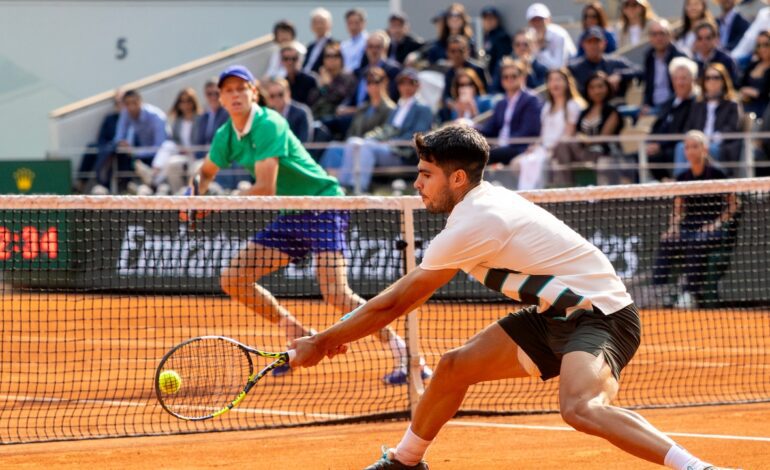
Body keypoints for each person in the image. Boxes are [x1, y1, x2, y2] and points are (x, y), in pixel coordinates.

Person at [289, 124, 734, 470]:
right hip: (553, 314)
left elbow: (395, 303)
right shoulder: (477, 206)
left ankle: (695, 466)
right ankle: (405, 461)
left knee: (580, 407)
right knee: (453, 368)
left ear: (457, 177)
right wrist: (332, 337)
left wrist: (322, 342)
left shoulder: (475, 221)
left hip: (602, 314)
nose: (416, 184)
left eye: (426, 175)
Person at [191, 64, 425, 385]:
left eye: (240, 88)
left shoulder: (268, 123)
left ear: (253, 93)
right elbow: (205, 172)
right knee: (234, 277)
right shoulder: (225, 135)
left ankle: (408, 356)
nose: (234, 95)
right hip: (293, 212)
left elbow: (265, 188)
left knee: (336, 293)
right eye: (228, 90)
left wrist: (213, 204)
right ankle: (297, 334)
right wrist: (190, 198)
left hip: (323, 204)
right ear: (220, 97)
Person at [653, 130, 740, 309]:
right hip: (689, 225)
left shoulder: (718, 174)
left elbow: (734, 204)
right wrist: (673, 227)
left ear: (704, 149)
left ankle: (689, 292)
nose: (691, 151)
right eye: (687, 148)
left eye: (695, 147)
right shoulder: (683, 177)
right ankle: (660, 291)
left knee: (696, 242)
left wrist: (716, 223)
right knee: (667, 241)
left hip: (712, 228)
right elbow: (678, 208)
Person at [337, 68, 433, 192]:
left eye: (411, 83)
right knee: (353, 142)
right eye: (402, 83)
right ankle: (344, 186)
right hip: (388, 148)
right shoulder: (398, 107)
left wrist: (391, 142)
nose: (406, 87)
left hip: (403, 154)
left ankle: (359, 189)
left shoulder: (423, 108)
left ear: (418, 85)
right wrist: (370, 138)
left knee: (366, 147)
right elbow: (386, 130)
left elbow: (419, 134)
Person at [513, 68, 585, 189]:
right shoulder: (547, 107)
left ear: (567, 83)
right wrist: (535, 146)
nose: (554, 84)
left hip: (558, 151)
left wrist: (551, 150)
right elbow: (543, 134)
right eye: (551, 80)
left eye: (558, 80)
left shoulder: (573, 105)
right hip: (543, 149)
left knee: (540, 164)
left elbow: (568, 134)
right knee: (516, 164)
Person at [552, 72, 624, 187]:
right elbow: (578, 133)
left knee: (565, 144)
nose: (596, 91)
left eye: (600, 86)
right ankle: (566, 186)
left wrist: (586, 140)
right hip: (583, 151)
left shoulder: (612, 111)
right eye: (592, 88)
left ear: (607, 88)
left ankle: (567, 185)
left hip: (603, 152)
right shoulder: (584, 112)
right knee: (562, 145)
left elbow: (604, 138)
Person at [319, 67, 395, 174]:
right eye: (369, 82)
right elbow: (352, 130)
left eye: (376, 82)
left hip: (370, 147)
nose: (372, 86)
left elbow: (385, 132)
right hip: (353, 145)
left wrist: (361, 141)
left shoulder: (390, 108)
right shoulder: (363, 107)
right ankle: (324, 179)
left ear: (385, 83)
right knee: (333, 147)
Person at [94, 89, 167, 193]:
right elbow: (119, 137)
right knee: (116, 150)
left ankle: (149, 183)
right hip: (142, 155)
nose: (131, 107)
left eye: (134, 103)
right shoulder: (125, 113)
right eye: (127, 104)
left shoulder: (157, 117)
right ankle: (118, 185)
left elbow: (159, 148)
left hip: (162, 156)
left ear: (141, 102)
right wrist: (122, 143)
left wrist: (135, 152)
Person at [676, 63, 742, 177]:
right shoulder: (698, 104)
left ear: (723, 80)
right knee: (681, 147)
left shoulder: (732, 104)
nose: (711, 81)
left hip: (720, 146)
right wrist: (694, 139)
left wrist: (710, 139)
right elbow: (689, 127)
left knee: (704, 148)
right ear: (704, 82)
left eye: (716, 77)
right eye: (707, 78)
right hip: (698, 142)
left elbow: (732, 128)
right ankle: (679, 182)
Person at [135, 87, 202, 193]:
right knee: (168, 146)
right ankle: (154, 173)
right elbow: (175, 140)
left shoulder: (200, 119)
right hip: (181, 154)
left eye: (188, 101)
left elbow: (202, 141)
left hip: (195, 155)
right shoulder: (178, 122)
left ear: (193, 102)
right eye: (182, 101)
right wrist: (181, 148)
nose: (185, 104)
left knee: (171, 161)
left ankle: (153, 178)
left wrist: (190, 150)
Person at [477, 58, 542, 165]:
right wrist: (468, 128)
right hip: (501, 147)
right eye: (505, 77)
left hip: (519, 147)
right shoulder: (501, 103)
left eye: (514, 76)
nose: (509, 79)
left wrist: (504, 142)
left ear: (522, 77)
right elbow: (489, 129)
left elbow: (529, 130)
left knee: (483, 156)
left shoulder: (531, 100)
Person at [646, 57, 699, 181]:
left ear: (693, 79)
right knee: (634, 157)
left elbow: (688, 130)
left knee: (657, 157)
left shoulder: (697, 103)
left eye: (684, 78)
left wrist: (660, 145)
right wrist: (651, 143)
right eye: (676, 78)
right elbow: (657, 126)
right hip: (661, 147)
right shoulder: (669, 102)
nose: (680, 83)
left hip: (678, 147)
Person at [568, 26, 642, 103]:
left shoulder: (615, 62)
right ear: (583, 44)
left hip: (614, 106)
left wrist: (620, 75)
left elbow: (639, 70)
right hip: (586, 107)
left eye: (597, 42)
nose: (593, 46)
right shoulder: (574, 68)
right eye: (590, 42)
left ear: (604, 43)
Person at [641, 19, 687, 115]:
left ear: (670, 35)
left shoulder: (680, 56)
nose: (659, 38)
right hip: (652, 107)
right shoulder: (649, 56)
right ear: (649, 37)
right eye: (654, 34)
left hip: (673, 108)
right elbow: (648, 86)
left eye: (662, 33)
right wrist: (645, 104)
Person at [306, 41, 357, 122]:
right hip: (318, 116)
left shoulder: (347, 77)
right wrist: (322, 87)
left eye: (336, 55)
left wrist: (326, 85)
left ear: (341, 58)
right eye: (328, 56)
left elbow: (336, 97)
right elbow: (311, 100)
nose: (331, 59)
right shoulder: (322, 76)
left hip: (336, 118)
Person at [527, 3, 576, 70]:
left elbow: (559, 66)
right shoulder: (530, 35)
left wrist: (541, 50)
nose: (537, 23)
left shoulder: (559, 35)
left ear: (548, 20)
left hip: (569, 70)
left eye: (540, 19)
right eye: (534, 20)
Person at [264, 77, 314, 143]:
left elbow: (305, 142)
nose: (277, 99)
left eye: (280, 94)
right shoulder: (267, 117)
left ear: (288, 93)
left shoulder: (301, 113)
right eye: (272, 96)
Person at [737, 30, 770, 117]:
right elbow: (739, 84)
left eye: (766, 44)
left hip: (765, 111)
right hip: (746, 107)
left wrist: (756, 93)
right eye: (759, 45)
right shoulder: (753, 65)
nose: (762, 49)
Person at [479, 6, 512, 79]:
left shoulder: (502, 37)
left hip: (495, 76)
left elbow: (501, 60)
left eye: (491, 18)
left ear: (497, 20)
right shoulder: (482, 37)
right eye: (486, 19)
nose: (488, 21)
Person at [302, 8, 334, 74]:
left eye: (322, 22)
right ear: (311, 26)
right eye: (316, 22)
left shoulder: (334, 45)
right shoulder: (310, 46)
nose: (319, 26)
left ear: (329, 24)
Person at [341, 8, 369, 73]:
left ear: (364, 23)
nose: (353, 26)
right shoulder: (344, 45)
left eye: (357, 23)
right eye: (350, 23)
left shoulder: (368, 41)